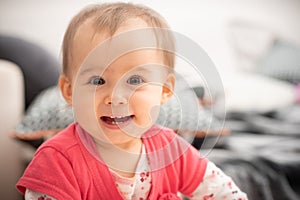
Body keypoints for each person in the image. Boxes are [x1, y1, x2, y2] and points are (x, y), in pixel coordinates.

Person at [16, 3, 247, 200]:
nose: (115, 97)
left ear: (165, 90)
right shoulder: (57, 161)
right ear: (69, 91)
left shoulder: (170, 149)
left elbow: (226, 193)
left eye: (135, 80)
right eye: (97, 80)